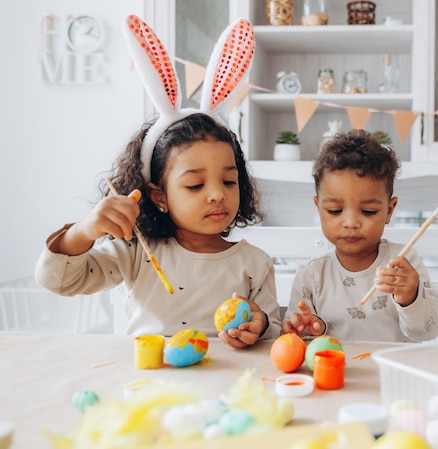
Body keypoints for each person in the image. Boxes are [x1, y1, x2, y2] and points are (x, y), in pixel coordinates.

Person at [35, 16, 281, 348]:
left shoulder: (254, 262)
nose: (216, 195)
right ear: (159, 196)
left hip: (227, 389)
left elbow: (273, 329)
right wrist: (83, 231)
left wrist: (261, 324)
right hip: (151, 383)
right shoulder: (136, 253)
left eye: (228, 181)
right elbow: (58, 281)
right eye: (195, 186)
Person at [281, 129, 438, 342]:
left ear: (389, 210)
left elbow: (430, 331)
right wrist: (308, 330)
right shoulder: (312, 275)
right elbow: (294, 336)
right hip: (335, 373)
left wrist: (411, 298)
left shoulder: (403, 263)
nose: (351, 223)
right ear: (318, 207)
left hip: (390, 373)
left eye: (368, 211)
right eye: (334, 210)